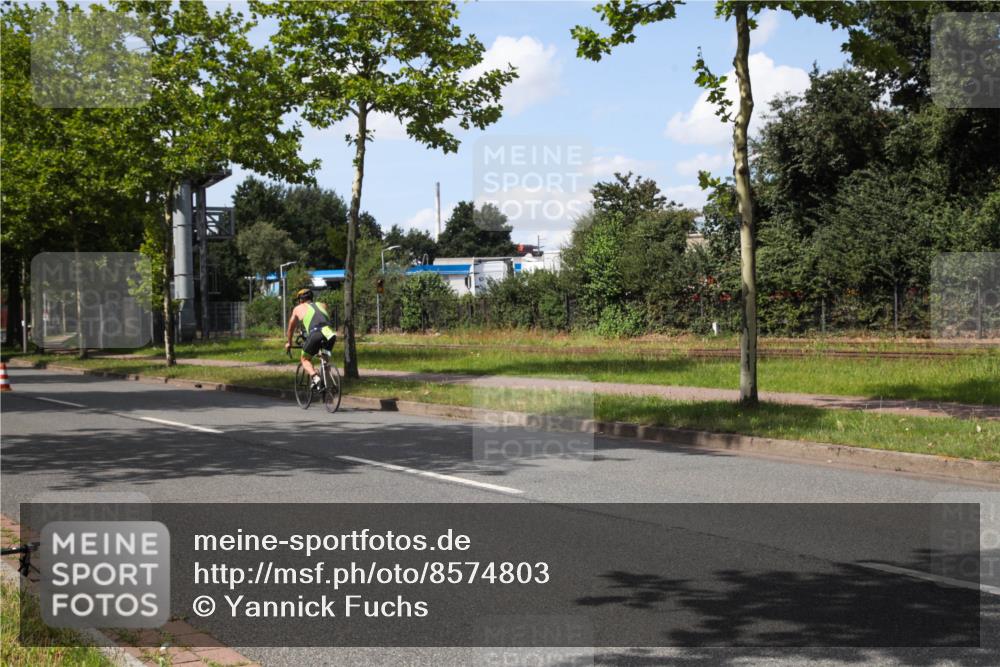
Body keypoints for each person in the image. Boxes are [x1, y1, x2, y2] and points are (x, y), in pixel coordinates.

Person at [284, 288, 336, 385]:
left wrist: (289, 343)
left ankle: (315, 377)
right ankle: (328, 388)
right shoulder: (322, 305)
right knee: (325, 359)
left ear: (300, 300)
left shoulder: (298, 308)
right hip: (330, 335)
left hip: (316, 333)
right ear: (311, 297)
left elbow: (290, 328)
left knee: (305, 359)